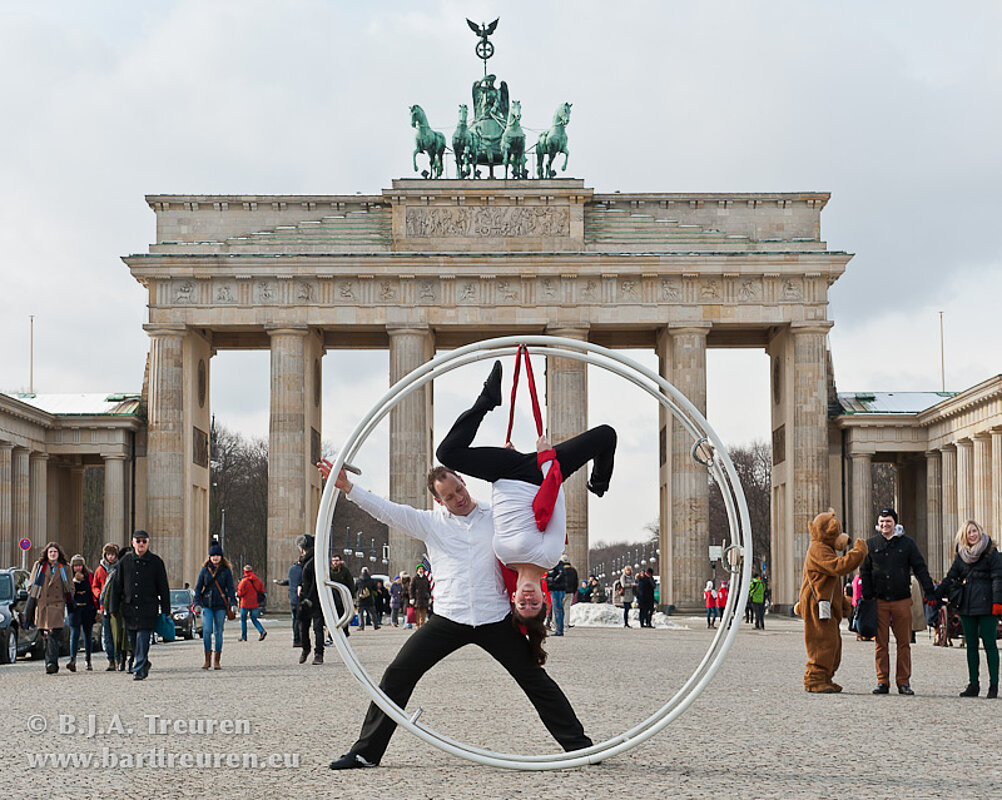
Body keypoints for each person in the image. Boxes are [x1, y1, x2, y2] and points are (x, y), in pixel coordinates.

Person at [318, 457, 594, 770]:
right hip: (448, 618)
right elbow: (388, 511)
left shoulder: (496, 516)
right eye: (449, 496)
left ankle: (580, 747)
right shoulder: (430, 523)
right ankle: (366, 752)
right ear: (439, 501)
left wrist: (520, 464)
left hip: (494, 617)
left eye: (459, 489)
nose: (459, 498)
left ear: (463, 480)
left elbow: (528, 511)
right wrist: (348, 488)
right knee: (397, 675)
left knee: (534, 679)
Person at [435, 360, 616, 643]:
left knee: (447, 453)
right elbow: (556, 502)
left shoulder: (504, 562)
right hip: (540, 474)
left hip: (504, 473)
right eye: (534, 604)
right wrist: (546, 458)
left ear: (514, 598)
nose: (528, 599)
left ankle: (487, 399)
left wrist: (503, 458)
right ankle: (599, 483)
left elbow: (500, 513)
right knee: (605, 435)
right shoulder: (549, 556)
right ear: (544, 598)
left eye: (523, 604)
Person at [859, 507, 935, 695]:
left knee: (904, 643)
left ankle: (903, 682)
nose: (885, 524)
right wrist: (867, 595)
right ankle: (882, 681)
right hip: (879, 600)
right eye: (882, 521)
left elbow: (920, 567)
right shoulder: (871, 544)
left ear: (895, 523)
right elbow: (865, 571)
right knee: (881, 643)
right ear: (878, 524)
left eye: (888, 521)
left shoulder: (907, 544)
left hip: (901, 599)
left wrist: (929, 590)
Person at [938, 520, 1002, 698]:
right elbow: (951, 576)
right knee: (971, 646)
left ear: (980, 532)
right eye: (969, 533)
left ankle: (994, 685)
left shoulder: (991, 552)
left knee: (990, 645)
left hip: (987, 605)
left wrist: (998, 602)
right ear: (964, 537)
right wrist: (935, 594)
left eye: (974, 531)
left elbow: (998, 578)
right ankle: (973, 684)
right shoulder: (961, 555)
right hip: (967, 605)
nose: (972, 535)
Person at [107, 531, 170, 681]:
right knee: (133, 641)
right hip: (129, 608)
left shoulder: (156, 562)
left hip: (148, 608)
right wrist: (113, 607)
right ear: (133, 543)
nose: (141, 544)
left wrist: (166, 608)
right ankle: (144, 662)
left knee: (143, 638)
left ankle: (139, 669)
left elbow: (163, 587)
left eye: (144, 541)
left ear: (148, 543)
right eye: (138, 541)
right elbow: (117, 586)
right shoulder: (124, 561)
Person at [26, 542, 73, 674]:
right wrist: (36, 595)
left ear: (59, 554)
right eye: (50, 552)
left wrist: (65, 599)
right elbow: (30, 586)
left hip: (57, 606)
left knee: (53, 635)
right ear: (46, 554)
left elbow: (70, 587)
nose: (53, 554)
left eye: (55, 552)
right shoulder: (39, 566)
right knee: (45, 636)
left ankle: (51, 663)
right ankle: (52, 663)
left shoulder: (65, 567)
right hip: (43, 606)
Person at [194, 542, 236, 671]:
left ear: (221, 557)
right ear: (209, 557)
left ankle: (217, 660)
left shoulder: (226, 571)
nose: (215, 557)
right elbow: (198, 588)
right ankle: (207, 659)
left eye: (217, 555)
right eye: (213, 555)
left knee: (218, 632)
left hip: (220, 606)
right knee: (207, 631)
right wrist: (197, 603)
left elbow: (230, 588)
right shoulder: (204, 570)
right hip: (206, 605)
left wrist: (233, 603)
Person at [91, 543, 121, 670]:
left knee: (117, 634)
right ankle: (111, 659)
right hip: (104, 606)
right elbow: (95, 585)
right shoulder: (100, 570)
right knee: (107, 635)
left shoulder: (120, 568)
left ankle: (119, 658)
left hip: (117, 605)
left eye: (112, 554)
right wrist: (98, 594)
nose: (110, 557)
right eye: (108, 554)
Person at [297, 535, 326, 664]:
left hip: (313, 598)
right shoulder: (308, 560)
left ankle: (317, 653)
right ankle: (309, 649)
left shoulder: (312, 561)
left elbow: (314, 582)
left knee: (316, 628)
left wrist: (308, 598)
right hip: (308, 597)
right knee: (306, 627)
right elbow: (305, 579)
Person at [67, 554, 97, 672]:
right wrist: (74, 583)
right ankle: (72, 660)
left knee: (87, 635)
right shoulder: (69, 577)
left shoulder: (89, 575)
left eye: (79, 565)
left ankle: (88, 660)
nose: (78, 568)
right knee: (74, 634)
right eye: (75, 566)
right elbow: (67, 592)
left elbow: (92, 590)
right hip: (74, 609)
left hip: (88, 609)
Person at [274, 543, 304, 648]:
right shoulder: (304, 570)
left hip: (292, 598)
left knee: (295, 620)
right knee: (301, 621)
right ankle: (300, 639)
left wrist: (278, 582)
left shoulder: (292, 569)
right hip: (301, 598)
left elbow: (290, 582)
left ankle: (296, 639)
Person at [237, 564, 268, 642]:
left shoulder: (244, 581)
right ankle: (261, 630)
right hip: (255, 603)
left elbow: (240, 593)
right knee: (254, 619)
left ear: (244, 571)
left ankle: (244, 636)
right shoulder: (257, 580)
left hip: (245, 603)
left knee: (243, 620)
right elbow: (262, 590)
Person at [328, 553, 355, 638]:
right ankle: (331, 633)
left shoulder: (345, 571)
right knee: (333, 615)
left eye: (336, 560)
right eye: (333, 561)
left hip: (343, 596)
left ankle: (345, 631)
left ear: (340, 561)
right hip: (332, 596)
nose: (335, 562)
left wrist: (352, 596)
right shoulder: (329, 570)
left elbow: (350, 583)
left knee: (343, 613)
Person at [545, 559, 567, 636]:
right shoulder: (556, 564)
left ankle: (559, 630)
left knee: (557, 610)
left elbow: (561, 574)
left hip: (556, 589)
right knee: (558, 609)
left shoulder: (556, 564)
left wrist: (551, 580)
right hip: (556, 588)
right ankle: (559, 629)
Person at [562, 557, 579, 628]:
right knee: (567, 608)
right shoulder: (573, 570)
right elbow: (576, 582)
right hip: (570, 592)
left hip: (562, 591)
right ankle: (566, 623)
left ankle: (559, 623)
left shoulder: (561, 570)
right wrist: (574, 591)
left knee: (560, 608)